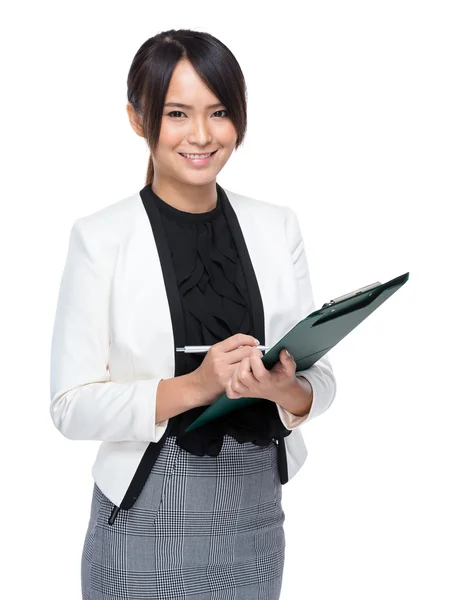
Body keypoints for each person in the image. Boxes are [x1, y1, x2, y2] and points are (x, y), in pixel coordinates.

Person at [49, 28, 337, 600]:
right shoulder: (100, 238)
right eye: (177, 113)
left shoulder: (277, 227)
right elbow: (69, 406)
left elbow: (319, 383)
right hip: (144, 510)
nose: (202, 135)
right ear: (138, 118)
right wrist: (197, 386)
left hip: (253, 511)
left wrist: (283, 390)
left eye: (220, 111)